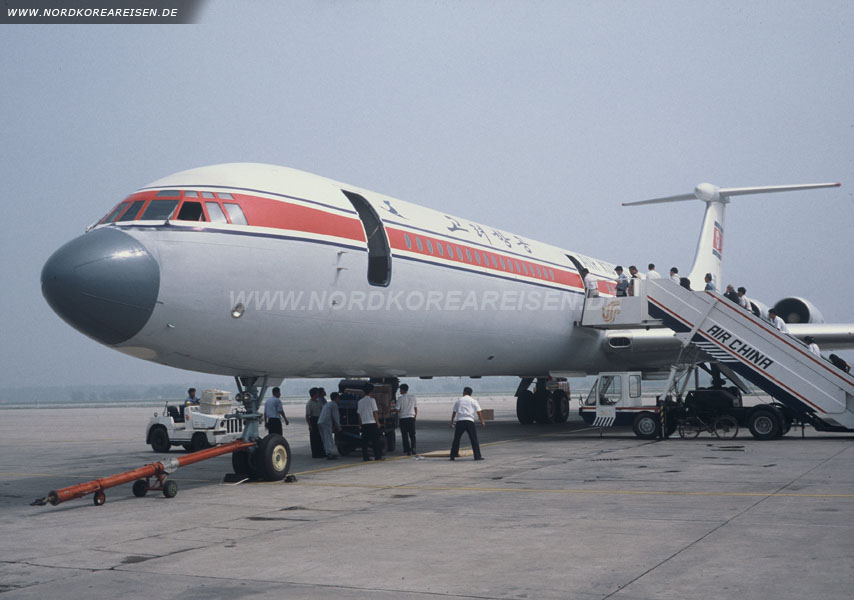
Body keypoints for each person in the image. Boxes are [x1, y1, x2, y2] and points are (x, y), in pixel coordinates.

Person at [449, 387, 485, 461]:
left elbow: (454, 412)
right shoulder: (473, 401)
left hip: (460, 421)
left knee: (457, 439)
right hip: (469, 421)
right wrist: (482, 421)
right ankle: (477, 456)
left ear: (464, 392)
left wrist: (452, 422)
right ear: (471, 393)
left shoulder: (459, 400)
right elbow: (479, 412)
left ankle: (453, 455)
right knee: (474, 439)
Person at [357, 384, 384, 461]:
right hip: (372, 422)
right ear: (371, 391)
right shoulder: (372, 400)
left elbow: (359, 414)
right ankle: (377, 456)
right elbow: (375, 412)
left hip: (364, 423)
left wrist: (360, 424)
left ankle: (365, 457)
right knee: (376, 441)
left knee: (364, 442)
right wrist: (377, 422)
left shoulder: (360, 402)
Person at [318, 392, 342, 460]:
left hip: (320, 421)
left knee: (324, 439)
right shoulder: (334, 405)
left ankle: (327, 452)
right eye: (338, 398)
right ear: (336, 398)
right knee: (328, 438)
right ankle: (329, 453)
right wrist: (339, 426)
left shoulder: (327, 404)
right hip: (326, 422)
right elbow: (336, 416)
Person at [397, 383, 418, 455]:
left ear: (402, 390)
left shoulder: (400, 399)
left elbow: (397, 409)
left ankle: (407, 450)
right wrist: (415, 417)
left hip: (403, 419)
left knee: (405, 436)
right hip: (411, 418)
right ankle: (413, 449)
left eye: (400, 390)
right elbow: (415, 408)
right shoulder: (413, 397)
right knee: (412, 435)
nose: (400, 391)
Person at [305, 387, 326, 458]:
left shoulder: (318, 402)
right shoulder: (309, 403)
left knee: (320, 437)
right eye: (317, 393)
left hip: (319, 419)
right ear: (314, 394)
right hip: (313, 419)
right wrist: (309, 425)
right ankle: (315, 454)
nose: (318, 394)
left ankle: (322, 452)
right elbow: (307, 415)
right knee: (314, 438)